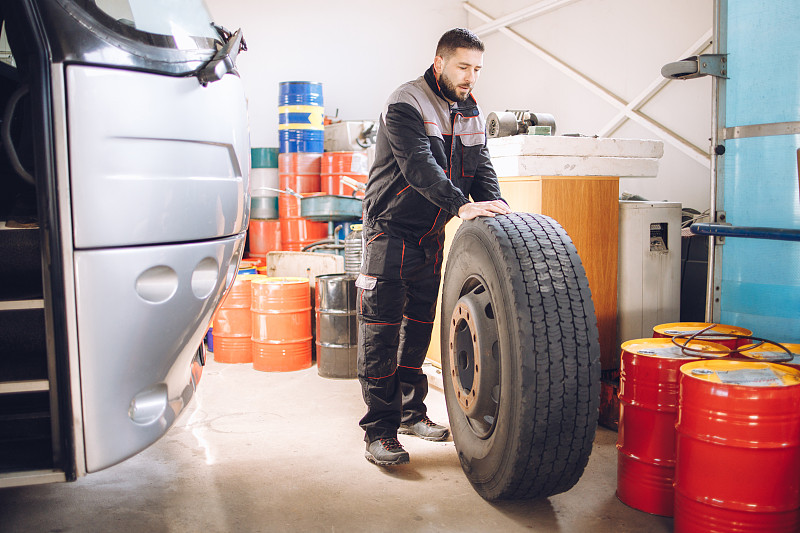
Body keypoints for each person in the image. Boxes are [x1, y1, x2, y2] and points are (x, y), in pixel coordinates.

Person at [356, 28, 511, 466]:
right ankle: (379, 432)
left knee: (418, 329)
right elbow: (419, 167)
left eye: (477, 69)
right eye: (463, 67)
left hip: (430, 237)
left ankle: (411, 415)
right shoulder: (406, 102)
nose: (470, 77)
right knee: (381, 334)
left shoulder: (470, 110)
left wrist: (498, 209)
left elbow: (481, 168)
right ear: (439, 62)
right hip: (389, 233)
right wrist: (461, 206)